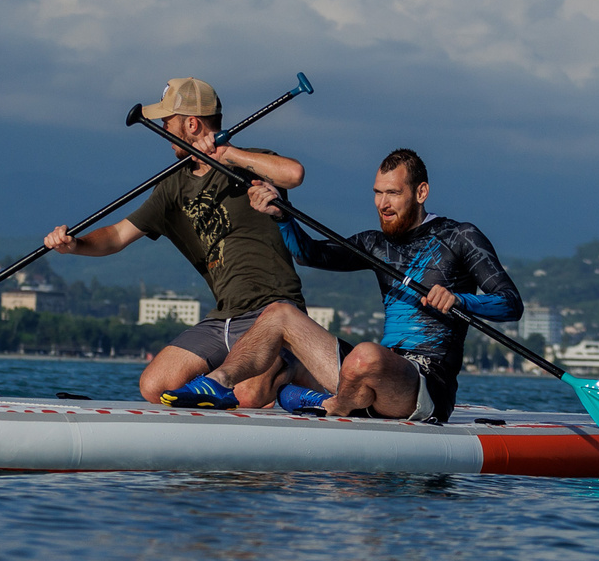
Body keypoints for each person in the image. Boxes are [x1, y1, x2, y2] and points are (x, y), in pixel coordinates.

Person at [41, 77, 308, 408]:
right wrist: (75, 244)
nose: (163, 131)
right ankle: (234, 391)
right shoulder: (171, 187)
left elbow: (293, 174)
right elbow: (115, 235)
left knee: (248, 395)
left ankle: (289, 368)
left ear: (191, 123)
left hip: (273, 311)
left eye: (167, 121)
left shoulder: (249, 161)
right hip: (223, 317)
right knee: (154, 385)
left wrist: (231, 155)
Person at [216, 148, 521, 422]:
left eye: (393, 193)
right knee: (279, 313)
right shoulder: (374, 244)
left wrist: (460, 300)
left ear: (421, 192)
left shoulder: (460, 237)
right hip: (370, 373)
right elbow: (309, 254)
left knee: (366, 355)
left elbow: (510, 303)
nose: (383, 204)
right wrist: (282, 216)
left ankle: (335, 405)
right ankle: (216, 383)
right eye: (378, 193)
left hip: (426, 385)